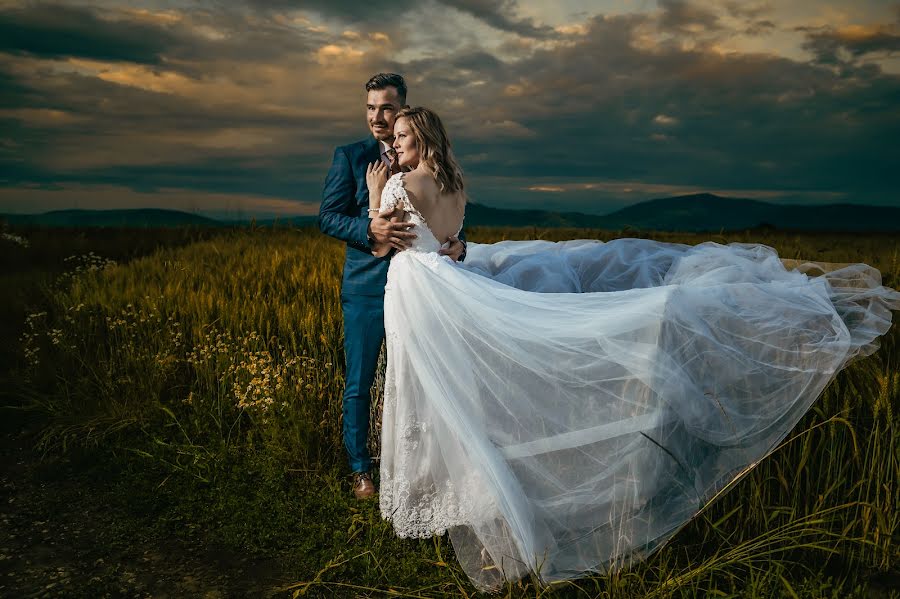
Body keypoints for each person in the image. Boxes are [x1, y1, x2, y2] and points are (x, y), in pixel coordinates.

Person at [367, 106, 900, 591]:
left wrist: (374, 197)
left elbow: (383, 240)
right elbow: (450, 240)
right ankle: (466, 492)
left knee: (430, 384)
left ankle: (445, 491)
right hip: (449, 277)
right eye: (396, 139)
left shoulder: (398, 185)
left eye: (406, 138)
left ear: (425, 140)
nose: (398, 146)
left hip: (419, 289)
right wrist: (449, 245)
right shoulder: (454, 184)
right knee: (452, 385)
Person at [318, 74, 467, 500]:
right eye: (369, 108)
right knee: (360, 379)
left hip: (424, 292)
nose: (376, 117)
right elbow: (327, 216)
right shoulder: (350, 156)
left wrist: (459, 245)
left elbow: (445, 218)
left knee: (425, 379)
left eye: (385, 108)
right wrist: (369, 227)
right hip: (366, 286)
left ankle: (423, 466)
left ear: (402, 106)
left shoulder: (419, 154)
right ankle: (361, 470)